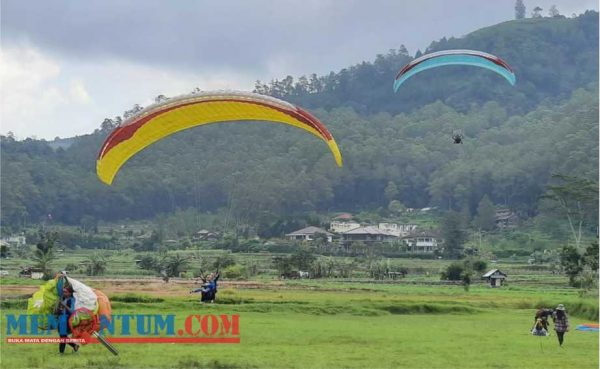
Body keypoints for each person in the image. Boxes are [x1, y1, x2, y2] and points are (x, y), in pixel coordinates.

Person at [55, 284, 79, 354]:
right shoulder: (64, 299)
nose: (64, 293)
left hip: (67, 319)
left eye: (66, 292)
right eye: (63, 292)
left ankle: (61, 352)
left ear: (70, 293)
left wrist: (64, 305)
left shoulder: (72, 300)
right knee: (63, 336)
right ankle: (74, 346)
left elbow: (72, 311)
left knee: (63, 336)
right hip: (62, 319)